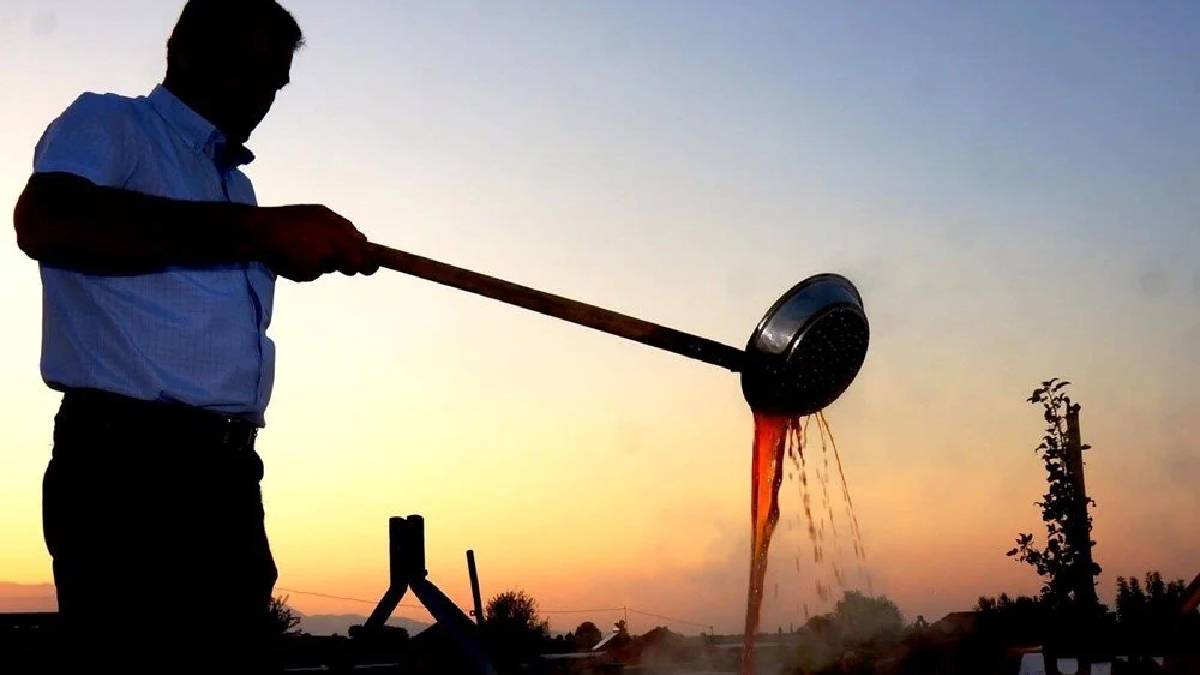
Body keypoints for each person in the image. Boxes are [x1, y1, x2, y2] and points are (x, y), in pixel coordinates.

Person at [12, 1, 376, 671]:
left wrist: (278, 246)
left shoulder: (235, 186)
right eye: (260, 71)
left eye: (278, 80)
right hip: (128, 472)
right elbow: (48, 220)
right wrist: (261, 234)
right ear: (197, 54)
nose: (270, 94)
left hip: (227, 475)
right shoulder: (112, 122)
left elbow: (205, 262)